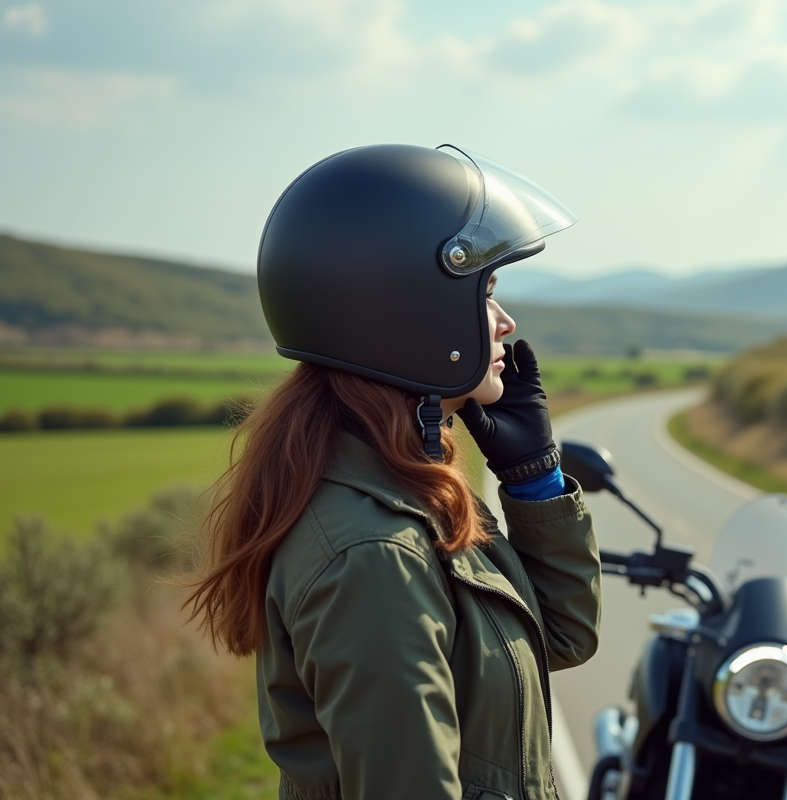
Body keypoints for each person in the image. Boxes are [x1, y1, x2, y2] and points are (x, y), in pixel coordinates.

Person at [185, 143, 602, 800]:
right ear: (408, 313)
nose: (505, 323)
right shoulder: (375, 553)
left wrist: (534, 480)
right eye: (485, 293)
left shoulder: (408, 492)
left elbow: (560, 638)